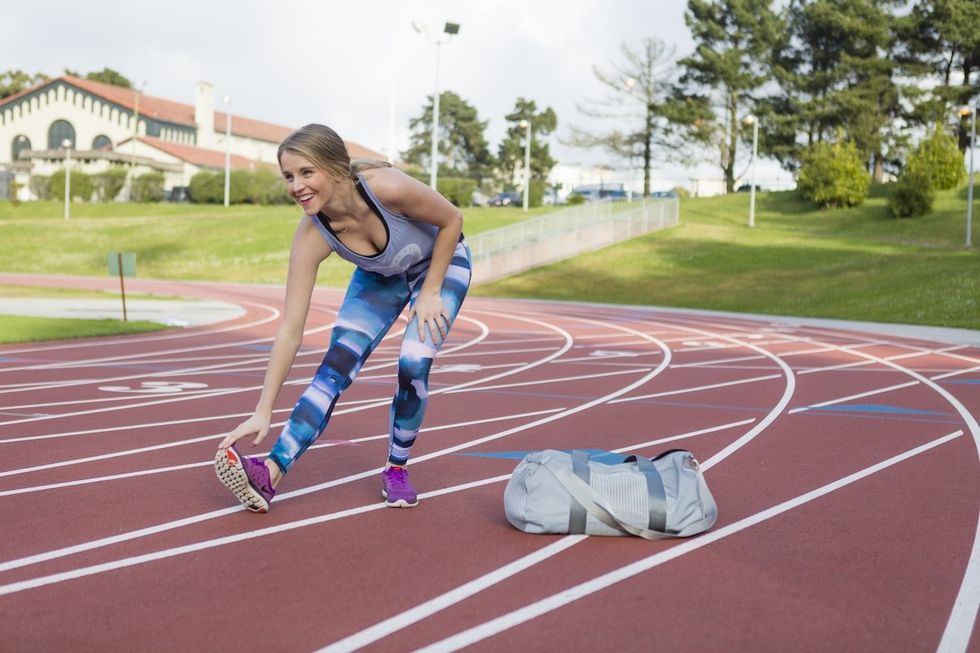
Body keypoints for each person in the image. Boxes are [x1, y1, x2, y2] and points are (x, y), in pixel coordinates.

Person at [215, 123, 471, 512]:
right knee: (335, 366)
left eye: (306, 172)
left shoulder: (387, 187)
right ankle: (271, 471)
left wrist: (431, 289)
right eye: (288, 176)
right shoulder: (311, 236)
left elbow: (452, 218)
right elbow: (290, 330)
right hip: (379, 276)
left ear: (335, 169)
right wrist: (262, 409)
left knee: (414, 362)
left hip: (440, 262)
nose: (295, 186)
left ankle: (396, 469)